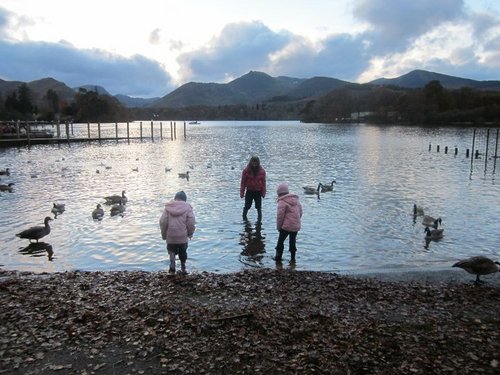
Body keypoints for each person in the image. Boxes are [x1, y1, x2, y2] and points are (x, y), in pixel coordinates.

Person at [159, 191, 196, 274]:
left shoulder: (168, 208)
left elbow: (163, 221)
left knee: (171, 249)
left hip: (171, 235)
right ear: (184, 199)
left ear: (175, 198)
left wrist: (164, 234)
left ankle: (172, 265)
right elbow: (191, 222)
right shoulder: (188, 208)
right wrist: (190, 233)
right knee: (183, 251)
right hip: (182, 236)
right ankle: (183, 266)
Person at [274, 183, 302, 263]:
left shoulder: (282, 202)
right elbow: (300, 212)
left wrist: (279, 227)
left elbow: (280, 216)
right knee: (292, 242)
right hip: (295, 226)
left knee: (280, 242)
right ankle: (293, 259)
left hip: (285, 227)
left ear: (279, 193)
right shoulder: (296, 200)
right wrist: (296, 221)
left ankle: (278, 258)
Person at [240, 156, 266, 221]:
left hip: (258, 191)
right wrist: (242, 192)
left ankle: (259, 222)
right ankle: (244, 218)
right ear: (251, 162)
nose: (254, 164)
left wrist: (263, 192)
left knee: (259, 207)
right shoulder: (246, 171)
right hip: (249, 191)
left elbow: (263, 183)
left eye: (256, 162)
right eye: (253, 162)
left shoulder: (262, 171)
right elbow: (243, 182)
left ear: (258, 163)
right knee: (247, 206)